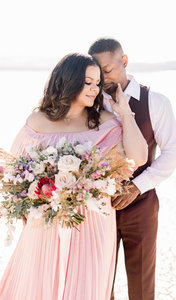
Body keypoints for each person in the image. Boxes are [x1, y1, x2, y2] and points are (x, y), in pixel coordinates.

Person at [0, 53, 147, 300]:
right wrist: (30, 201)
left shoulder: (106, 123)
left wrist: (125, 113)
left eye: (97, 83)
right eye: (88, 82)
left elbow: (139, 156)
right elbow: (15, 172)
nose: (94, 89)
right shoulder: (37, 121)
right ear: (68, 81)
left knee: (85, 288)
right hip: (44, 223)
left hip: (92, 223)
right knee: (39, 287)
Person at [88, 38, 176, 300]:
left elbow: (171, 153)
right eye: (96, 73)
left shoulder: (156, 102)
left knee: (141, 286)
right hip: (97, 209)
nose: (102, 79)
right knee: (100, 284)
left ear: (124, 61)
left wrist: (138, 186)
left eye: (107, 71)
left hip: (142, 205)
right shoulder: (88, 104)